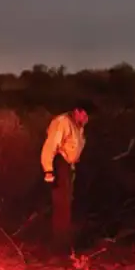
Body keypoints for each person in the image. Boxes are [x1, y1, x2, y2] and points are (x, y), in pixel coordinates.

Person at [40, 101, 92, 254]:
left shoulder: (78, 126)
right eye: (85, 114)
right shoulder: (62, 122)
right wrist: (48, 170)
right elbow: (50, 146)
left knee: (67, 205)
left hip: (68, 166)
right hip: (59, 164)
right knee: (61, 206)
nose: (87, 118)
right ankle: (58, 247)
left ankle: (64, 244)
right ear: (77, 111)